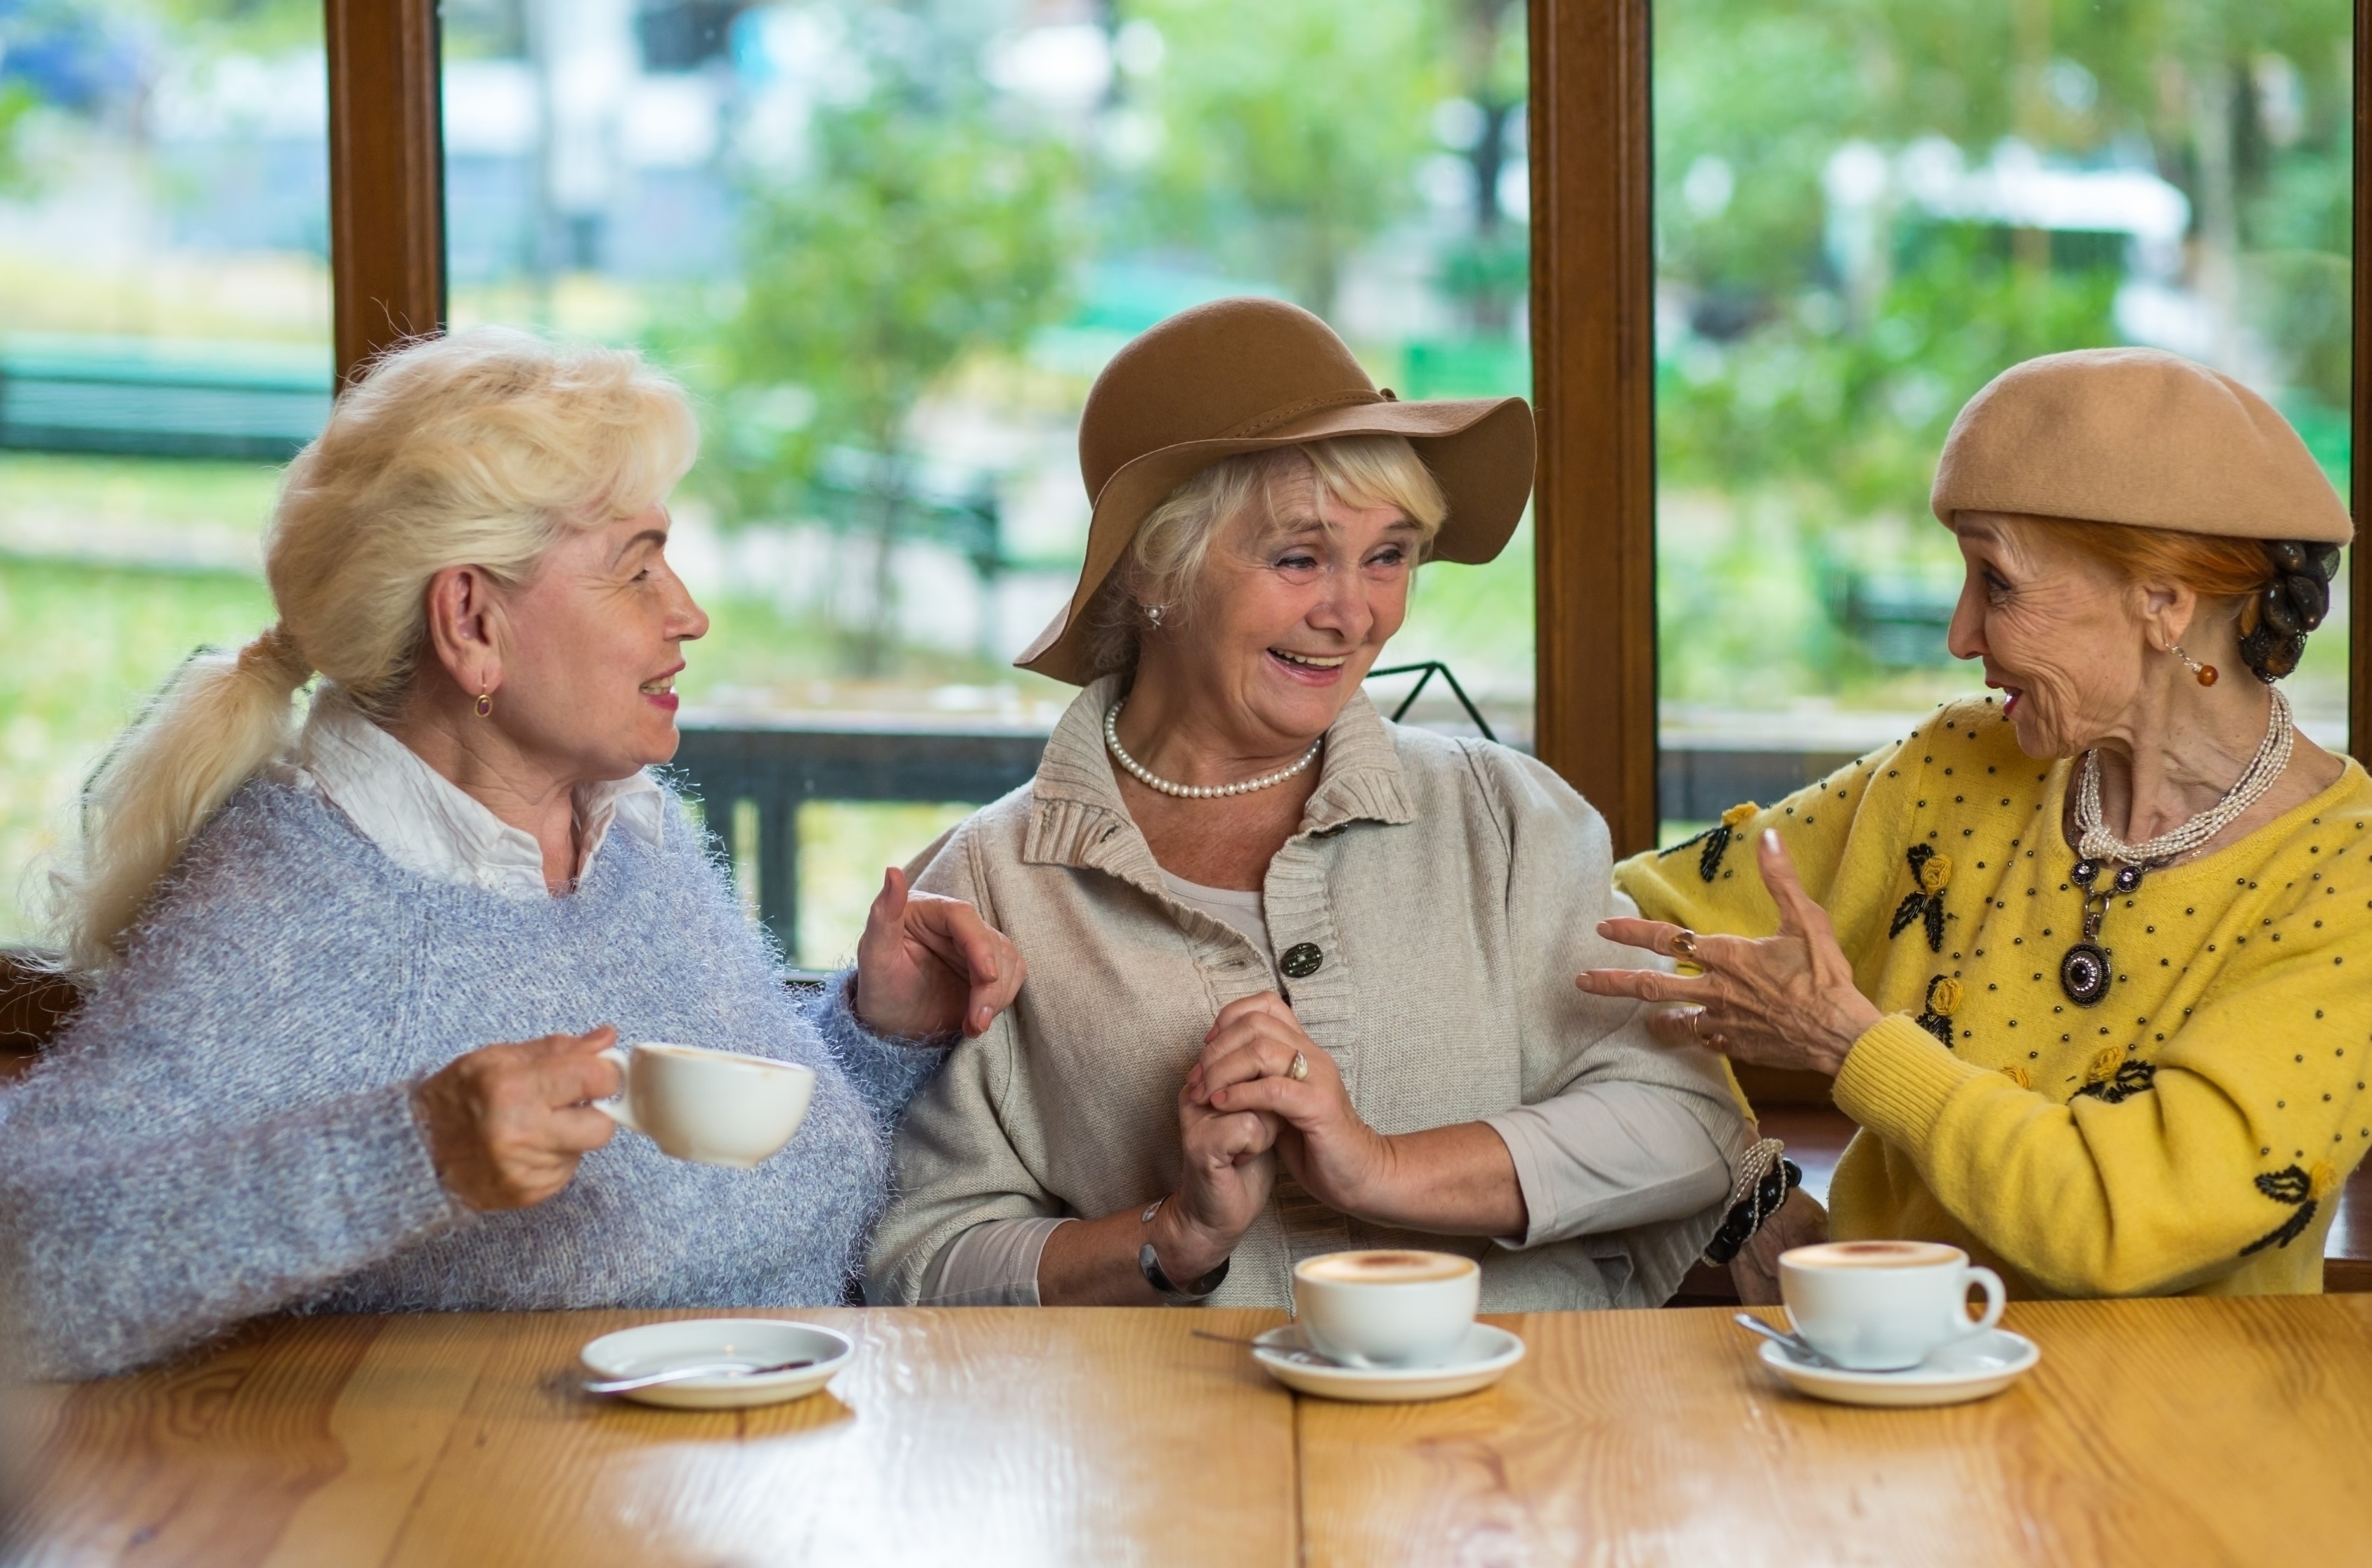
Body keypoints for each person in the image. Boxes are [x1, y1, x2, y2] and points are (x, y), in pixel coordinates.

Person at [0, 329, 1021, 1380]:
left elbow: (740, 1178)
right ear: (471, 621)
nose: (691, 614)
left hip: (754, 1467)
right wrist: (414, 1157)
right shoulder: (299, 903)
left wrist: (872, 1037)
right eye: (637, 569)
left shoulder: (626, 833)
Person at [869, 297, 1750, 1311]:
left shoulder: (1505, 818)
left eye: (1389, 555)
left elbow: (1691, 1124)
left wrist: (1379, 1168)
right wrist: (1174, 1236)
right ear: (1158, 568)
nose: (1354, 612)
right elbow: (924, 1259)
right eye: (1300, 557)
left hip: (1519, 1438)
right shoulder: (989, 885)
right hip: (1181, 1456)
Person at [1588, 347, 2369, 1299]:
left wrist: (1850, 1043)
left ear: (2164, 602)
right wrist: (1742, 1195)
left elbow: (2120, 1219)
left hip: (2180, 1432)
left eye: (1997, 583)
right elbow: (1603, 933)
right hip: (1879, 1395)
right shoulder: (1951, 766)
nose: (1962, 634)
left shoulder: (2347, 874)